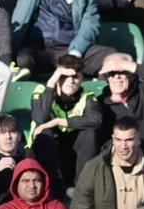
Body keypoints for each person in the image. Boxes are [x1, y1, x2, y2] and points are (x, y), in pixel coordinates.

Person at [30, 56, 102, 192]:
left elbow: (95, 120)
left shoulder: (87, 96)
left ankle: (82, 189)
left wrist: (58, 121)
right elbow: (40, 118)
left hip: (73, 150)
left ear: (81, 79)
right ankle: (53, 190)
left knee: (89, 133)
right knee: (45, 133)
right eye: (64, 76)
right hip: (47, 150)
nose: (71, 81)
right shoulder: (41, 91)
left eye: (76, 77)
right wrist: (51, 83)